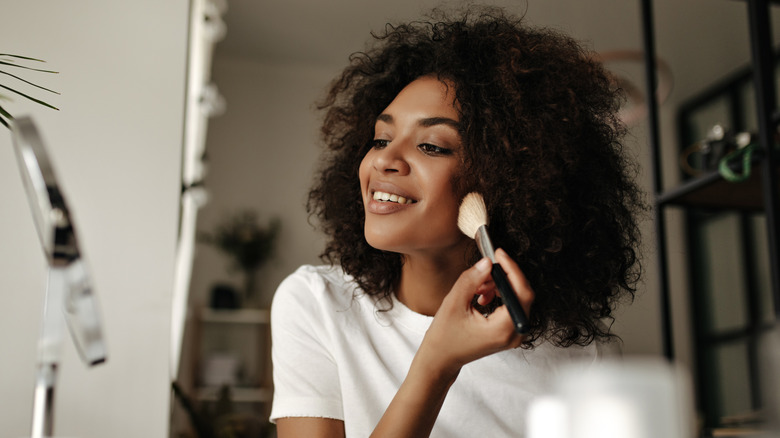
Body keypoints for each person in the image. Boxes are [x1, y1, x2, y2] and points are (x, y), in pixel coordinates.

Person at [269, 6, 646, 437]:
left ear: (510, 182)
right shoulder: (318, 304)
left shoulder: (581, 359)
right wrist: (436, 364)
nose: (385, 160)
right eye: (381, 138)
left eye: (431, 146)